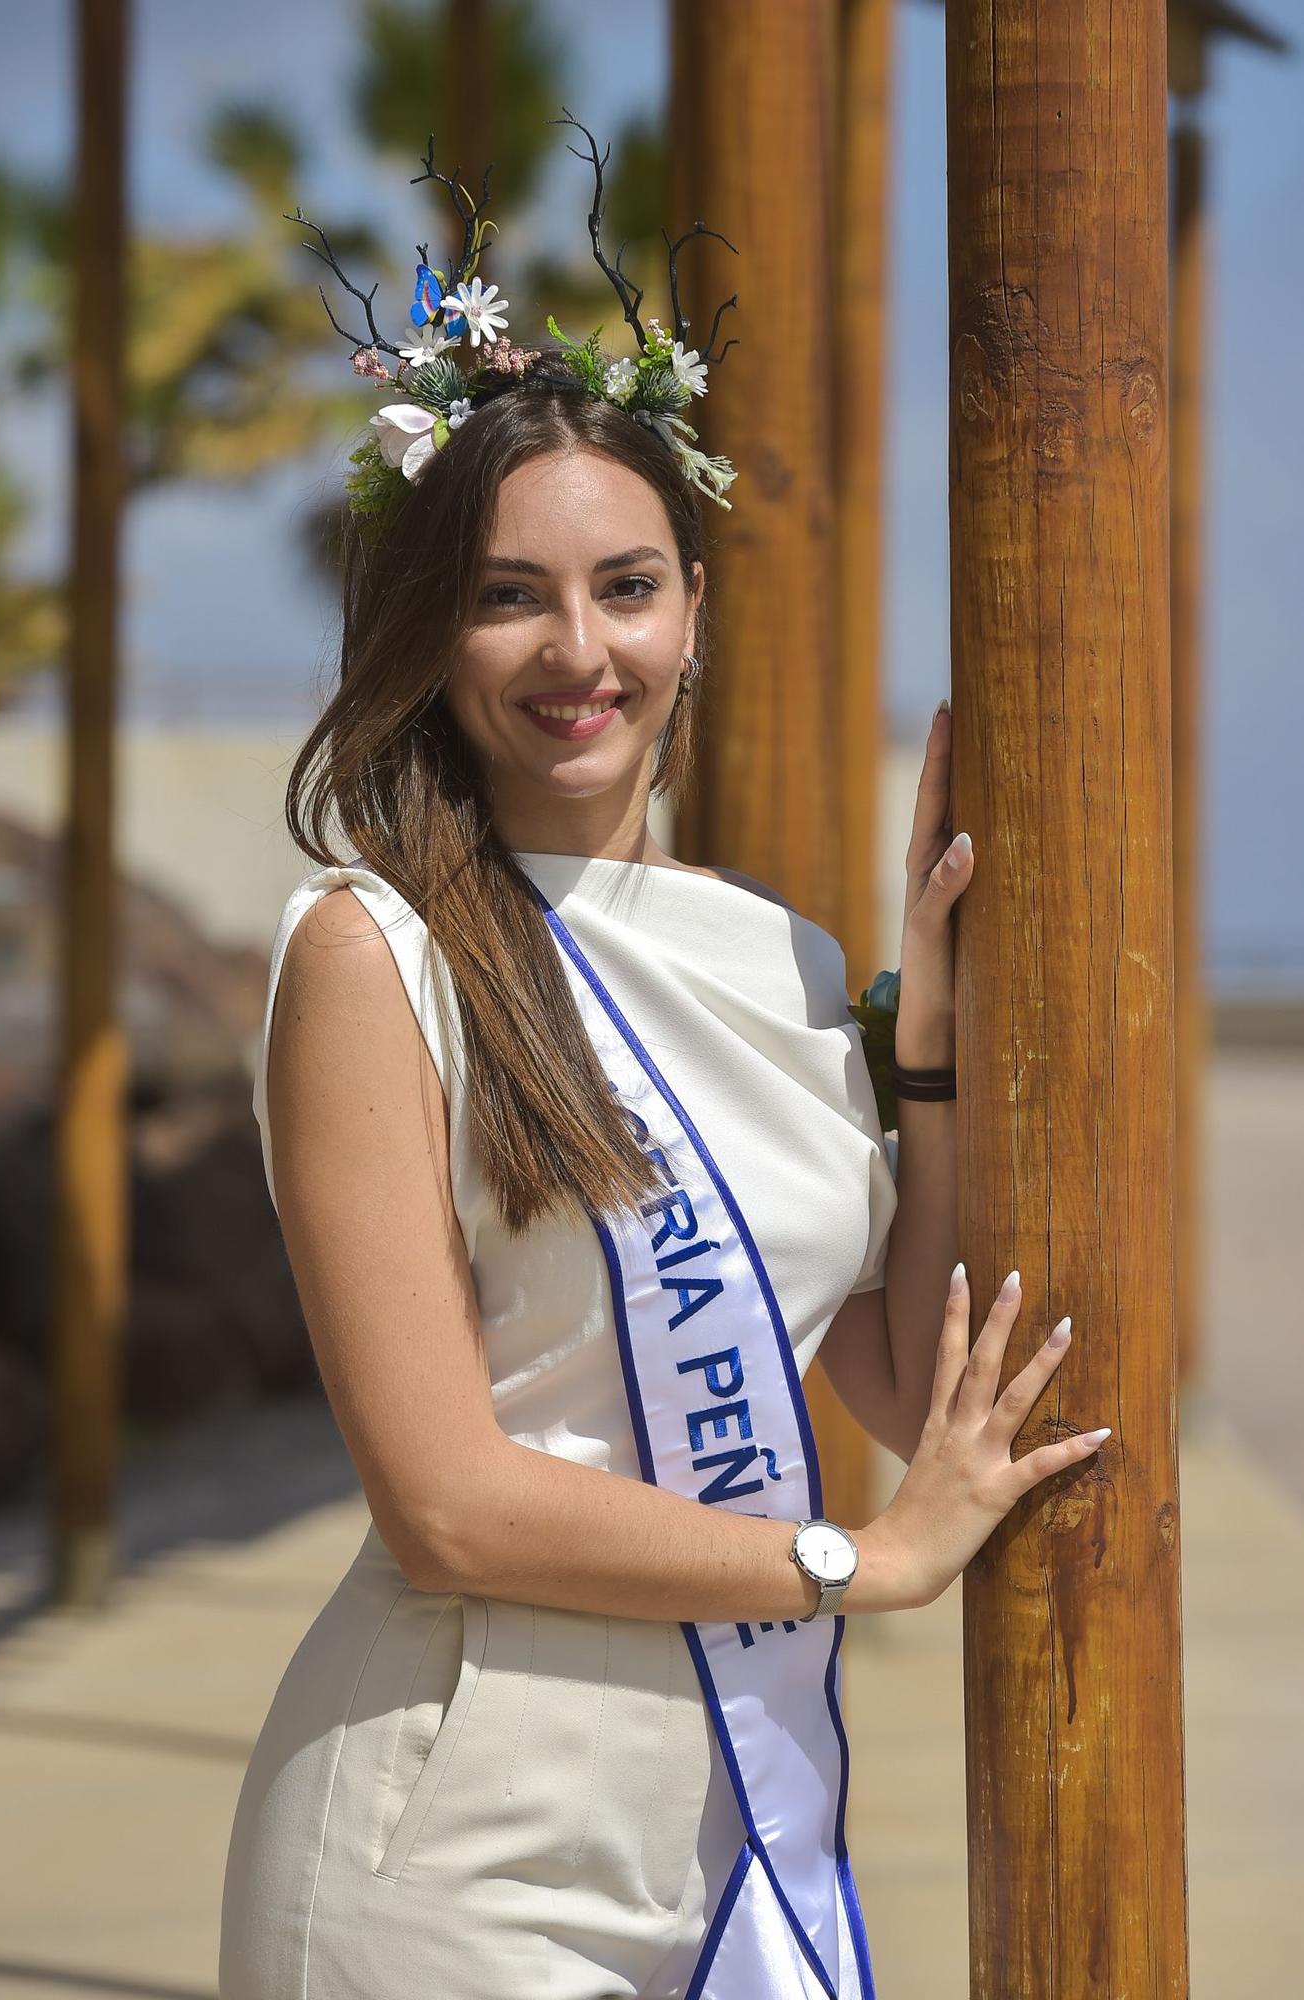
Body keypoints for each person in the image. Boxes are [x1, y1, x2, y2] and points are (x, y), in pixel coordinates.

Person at [217, 117, 1110, 2000]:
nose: (576, 650)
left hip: (716, 1829)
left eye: (625, 586)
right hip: (448, 1842)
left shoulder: (777, 954)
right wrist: (856, 1567)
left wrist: (924, 1055)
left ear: (692, 611)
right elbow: (442, 1503)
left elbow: (878, 1357)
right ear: (429, 636)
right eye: (504, 594)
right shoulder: (372, 955)